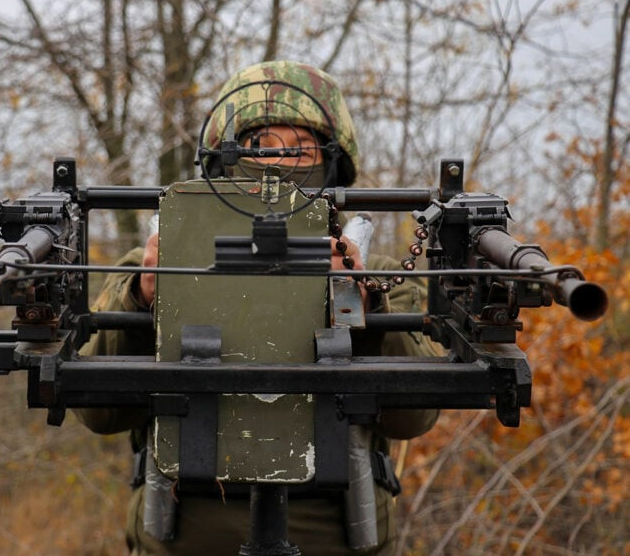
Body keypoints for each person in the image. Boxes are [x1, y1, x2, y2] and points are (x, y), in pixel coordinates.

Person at [76, 61, 439, 555]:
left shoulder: (376, 271)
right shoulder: (158, 262)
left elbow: (413, 419)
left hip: (334, 537)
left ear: (332, 162)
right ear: (226, 157)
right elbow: (98, 413)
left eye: (301, 147)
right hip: (182, 537)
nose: (281, 163)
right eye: (262, 145)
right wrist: (142, 296)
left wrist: (363, 300)